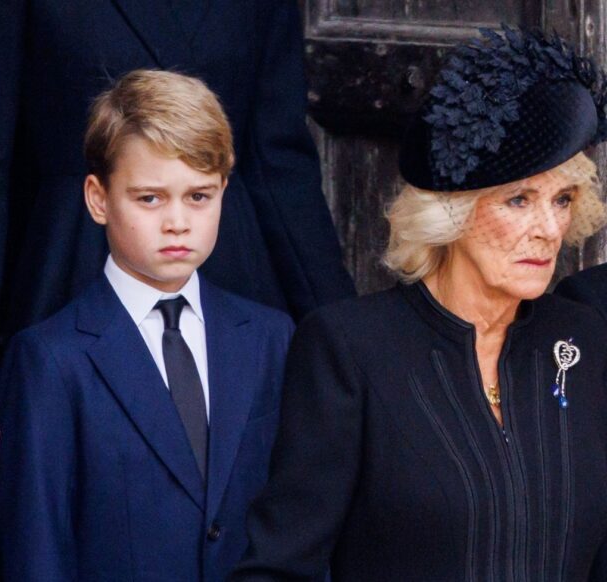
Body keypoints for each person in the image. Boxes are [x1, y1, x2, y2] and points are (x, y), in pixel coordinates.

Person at [0, 0, 354, 543]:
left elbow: (282, 162)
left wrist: (348, 350)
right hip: (70, 276)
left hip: (232, 283)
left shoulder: (267, 336)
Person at [231, 27, 607, 581]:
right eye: (519, 200)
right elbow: (279, 567)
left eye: (562, 200)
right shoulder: (350, 350)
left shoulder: (582, 339)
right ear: (452, 209)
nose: (549, 229)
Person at [0, 70, 294, 581]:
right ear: (98, 199)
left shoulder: (270, 338)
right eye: (150, 198)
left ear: (224, 191)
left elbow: (295, 520)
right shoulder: (50, 358)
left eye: (199, 196)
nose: (177, 222)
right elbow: (39, 548)